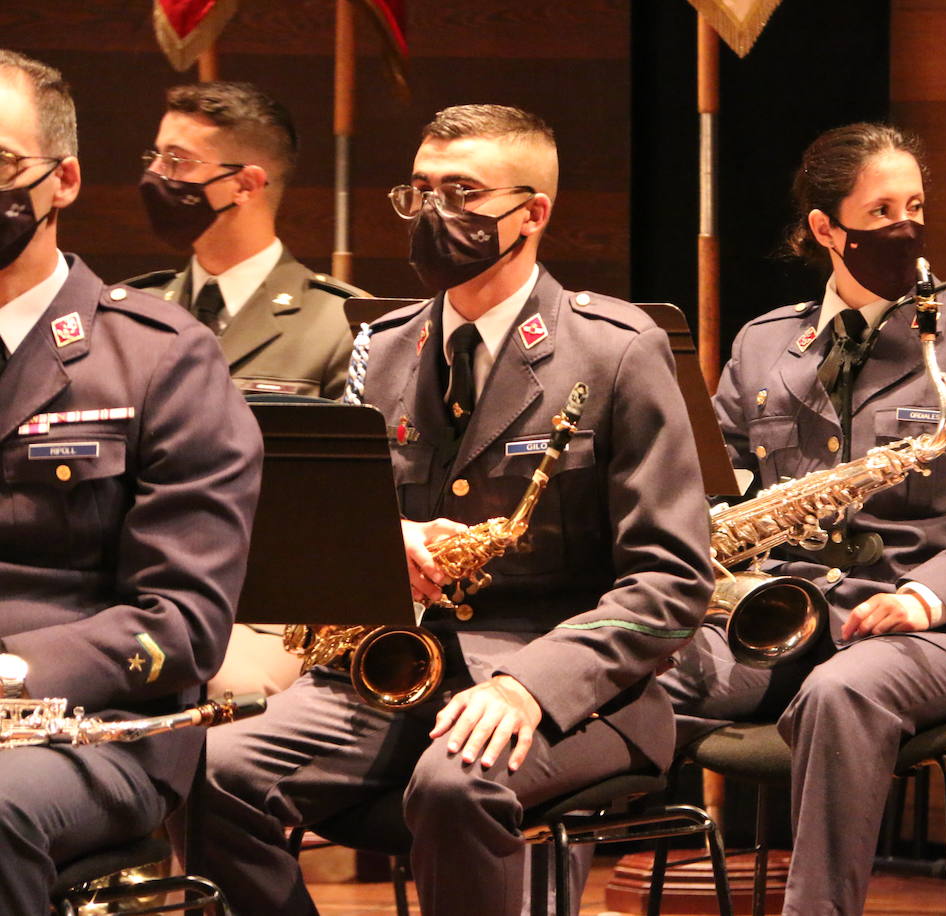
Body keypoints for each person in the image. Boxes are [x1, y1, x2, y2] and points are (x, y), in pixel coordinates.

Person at [187, 103, 713, 916]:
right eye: (423, 191)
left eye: (463, 194)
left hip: (571, 683)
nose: (436, 215)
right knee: (211, 775)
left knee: (454, 786)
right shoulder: (387, 346)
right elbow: (328, 529)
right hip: (397, 673)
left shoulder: (615, 351)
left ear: (533, 213)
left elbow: (672, 583)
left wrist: (528, 689)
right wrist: (381, 538)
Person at [661, 122, 946, 915]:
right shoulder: (763, 345)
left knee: (840, 695)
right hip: (786, 617)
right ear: (825, 228)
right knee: (625, 666)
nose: (905, 229)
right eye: (880, 211)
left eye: (914, 205)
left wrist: (927, 599)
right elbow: (717, 488)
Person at [0, 50, 262, 914]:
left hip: (101, 728)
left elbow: (183, 622)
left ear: (62, 179)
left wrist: (9, 673)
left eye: (1, 165)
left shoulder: (156, 358)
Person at [126, 80, 365, 697]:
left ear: (247, 183)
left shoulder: (340, 323)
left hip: (269, 611)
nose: (157, 175)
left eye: (178, 162)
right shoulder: (130, 315)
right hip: (133, 596)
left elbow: (349, 521)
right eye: (155, 157)